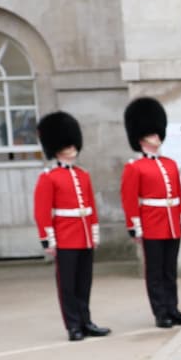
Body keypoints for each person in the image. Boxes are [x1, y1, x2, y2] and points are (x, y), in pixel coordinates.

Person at [33, 111, 109, 342]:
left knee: (84, 282)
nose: (72, 148)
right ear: (57, 147)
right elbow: (42, 211)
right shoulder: (49, 177)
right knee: (67, 285)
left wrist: (94, 232)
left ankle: (86, 321)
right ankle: (73, 325)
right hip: (65, 237)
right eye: (66, 144)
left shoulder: (82, 175)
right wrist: (48, 239)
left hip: (84, 235)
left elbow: (91, 206)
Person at [121, 97, 181, 329]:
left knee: (170, 271)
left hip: (171, 223)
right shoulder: (134, 167)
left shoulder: (170, 164)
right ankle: (160, 312)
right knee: (155, 272)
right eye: (151, 134)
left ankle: (173, 308)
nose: (156, 137)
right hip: (152, 224)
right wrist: (135, 226)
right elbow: (130, 199)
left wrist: (180, 218)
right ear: (141, 138)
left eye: (157, 133)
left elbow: (178, 195)